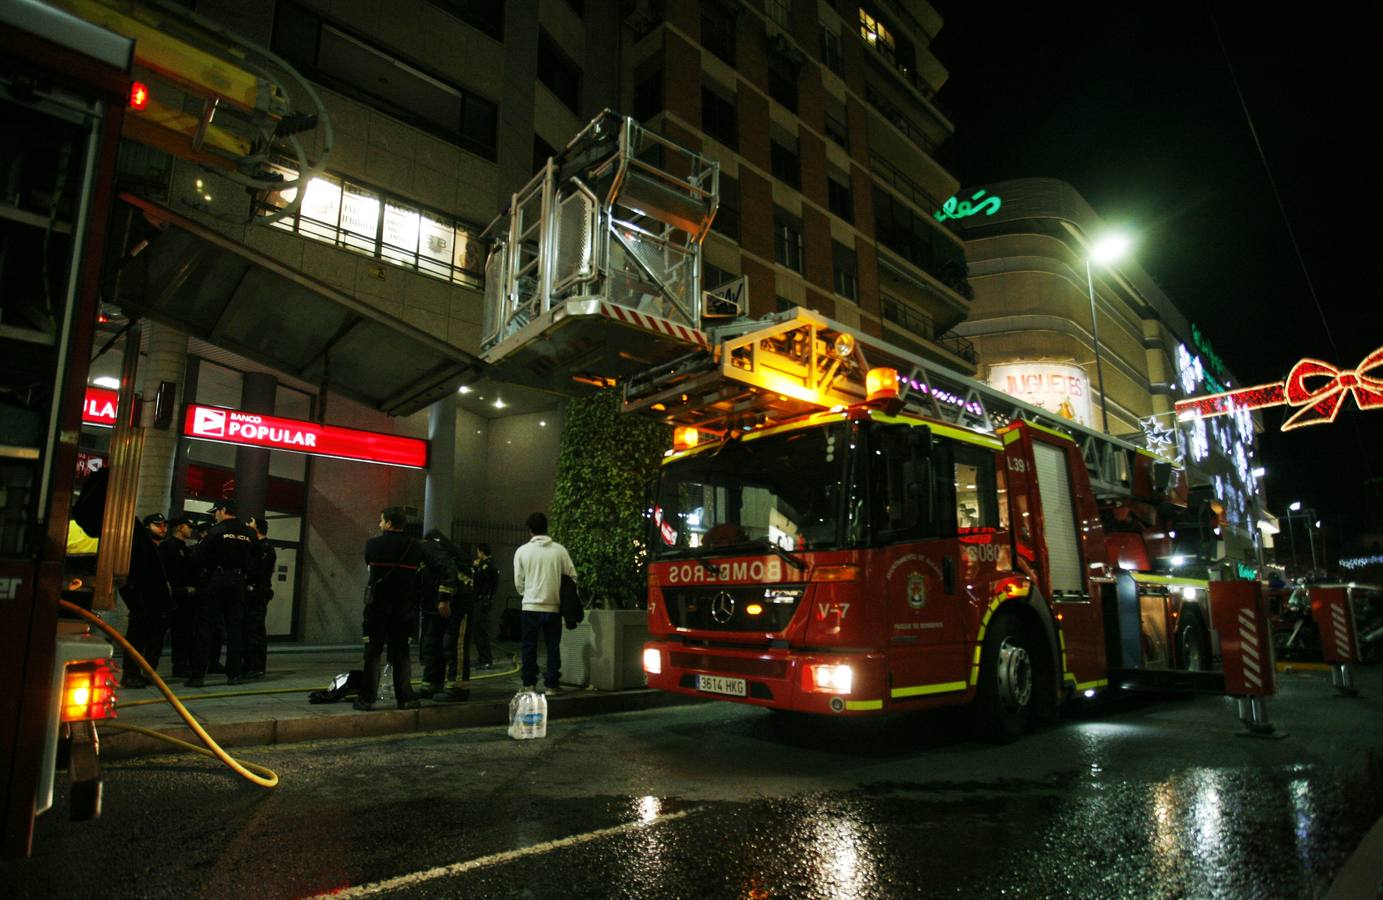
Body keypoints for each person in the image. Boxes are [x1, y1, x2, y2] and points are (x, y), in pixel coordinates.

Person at [358, 507, 424, 711]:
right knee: (401, 653)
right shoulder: (415, 547)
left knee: (372, 653)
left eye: (381, 521)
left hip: (377, 607)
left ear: (388, 523)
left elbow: (369, 563)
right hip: (404, 608)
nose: (379, 524)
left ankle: (368, 698)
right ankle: (405, 697)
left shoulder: (373, 544)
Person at [188, 500, 254, 687]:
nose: (214, 515)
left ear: (224, 511)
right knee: (235, 629)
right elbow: (256, 555)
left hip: (216, 580)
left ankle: (198, 676)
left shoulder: (216, 531)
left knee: (206, 627)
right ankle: (234, 675)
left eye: (216, 511)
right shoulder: (248, 532)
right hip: (238, 582)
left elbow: (197, 556)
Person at [513, 512, 576, 693]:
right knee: (552, 647)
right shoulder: (560, 551)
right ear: (547, 528)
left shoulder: (522, 551)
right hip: (553, 607)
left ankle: (528, 684)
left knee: (528, 646)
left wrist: (528, 594)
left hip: (530, 607)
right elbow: (572, 577)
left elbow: (519, 582)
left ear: (530, 530)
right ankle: (551, 684)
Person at [118, 514, 172, 688]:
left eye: (164, 525)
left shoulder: (156, 548)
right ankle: (131, 674)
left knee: (151, 638)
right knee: (137, 636)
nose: (163, 528)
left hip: (153, 599)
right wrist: (136, 598)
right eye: (158, 525)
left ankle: (143, 673)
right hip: (142, 598)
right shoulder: (140, 545)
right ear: (148, 527)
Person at [417, 529, 469, 699]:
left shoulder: (427, 549)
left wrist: (444, 599)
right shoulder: (419, 553)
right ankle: (431, 683)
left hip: (457, 601)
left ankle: (457, 687)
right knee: (432, 642)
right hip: (436, 604)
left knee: (453, 643)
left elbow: (448, 569)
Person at [159, 517, 198, 678]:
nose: (191, 530)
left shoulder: (185, 548)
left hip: (185, 598)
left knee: (183, 634)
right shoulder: (167, 547)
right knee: (158, 634)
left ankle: (180, 666)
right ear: (180, 528)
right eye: (188, 526)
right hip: (171, 596)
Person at [243, 515, 277, 680]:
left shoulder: (264, 548)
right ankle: (249, 664)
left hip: (257, 593)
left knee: (255, 630)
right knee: (249, 630)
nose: (247, 526)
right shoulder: (260, 547)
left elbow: (256, 571)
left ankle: (256, 667)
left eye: (250, 523)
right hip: (254, 593)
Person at [470, 543, 498, 670]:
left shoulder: (487, 565)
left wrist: (476, 568)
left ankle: (486, 659)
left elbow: (478, 580)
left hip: (482, 601)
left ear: (481, 552)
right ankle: (483, 658)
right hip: (482, 600)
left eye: (478, 552)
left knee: (481, 631)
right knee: (478, 631)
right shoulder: (488, 565)